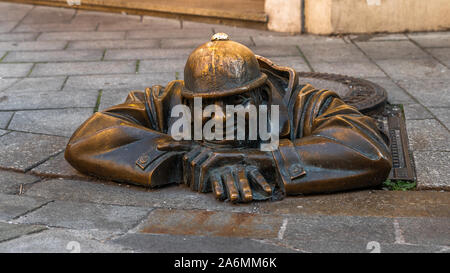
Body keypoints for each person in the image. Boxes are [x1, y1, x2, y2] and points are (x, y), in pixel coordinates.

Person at [65, 33, 392, 203]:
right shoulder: (170, 99)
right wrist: (184, 155)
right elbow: (88, 139)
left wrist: (258, 159)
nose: (220, 117)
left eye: (235, 101)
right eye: (208, 106)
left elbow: (368, 149)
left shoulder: (305, 101)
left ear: (261, 95)